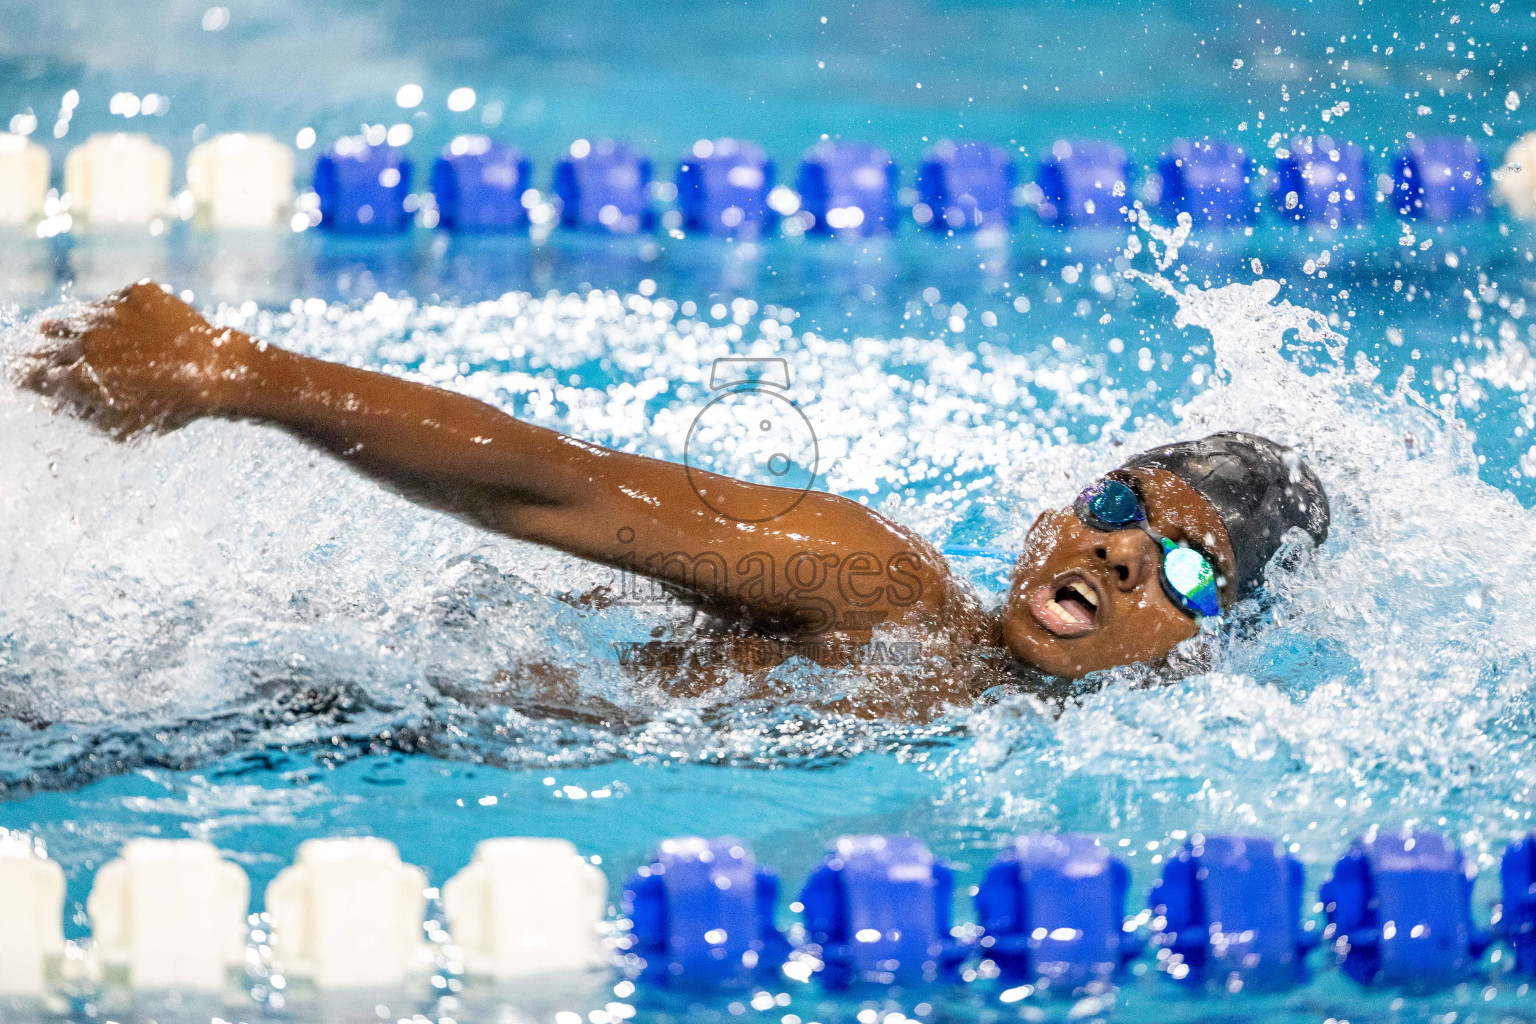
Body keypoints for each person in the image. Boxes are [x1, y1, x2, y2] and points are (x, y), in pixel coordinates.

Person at [17, 282, 1329, 715]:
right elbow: (557, 487)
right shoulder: (873, 581)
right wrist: (244, 374)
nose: (1118, 549)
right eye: (1116, 502)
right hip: (291, 696)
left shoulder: (1050, 732)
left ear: (1210, 650)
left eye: (1189, 566)